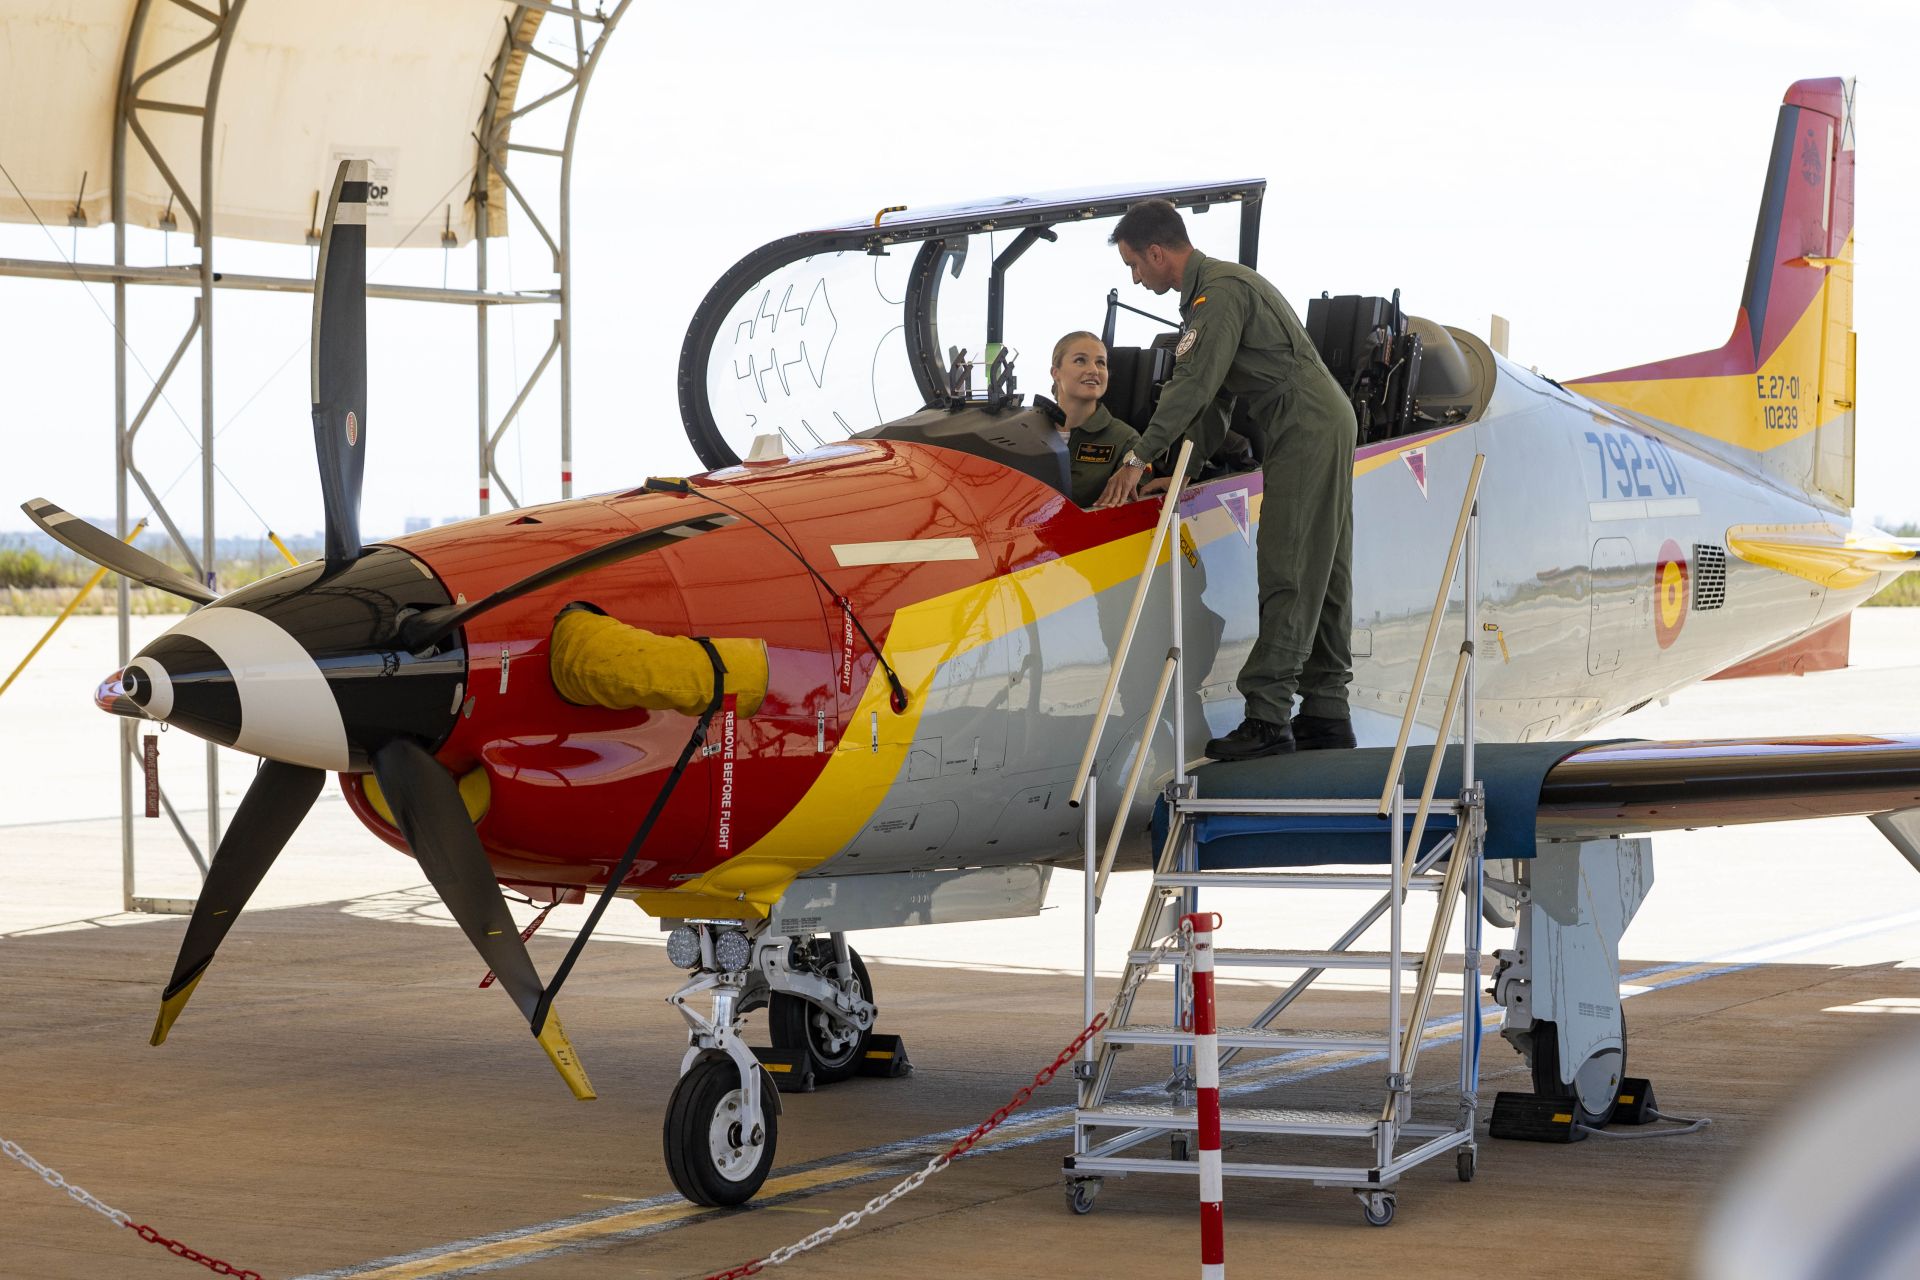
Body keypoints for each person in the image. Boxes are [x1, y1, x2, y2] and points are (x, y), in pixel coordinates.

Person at [1095, 199, 1357, 759]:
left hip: (1303, 423)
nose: (1135, 278)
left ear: (1157, 252)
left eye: (1134, 266)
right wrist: (1183, 472)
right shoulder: (1211, 295)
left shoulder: (1217, 295)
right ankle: (1327, 714)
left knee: (1289, 562)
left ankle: (1267, 719)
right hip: (1315, 419)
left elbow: (1191, 389)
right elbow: (1214, 402)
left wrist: (1138, 457)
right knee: (1324, 569)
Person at [1045, 331, 1149, 508]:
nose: (1093, 370)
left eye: (1101, 363)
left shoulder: (1126, 440)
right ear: (1056, 372)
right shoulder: (1027, 429)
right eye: (1080, 360)